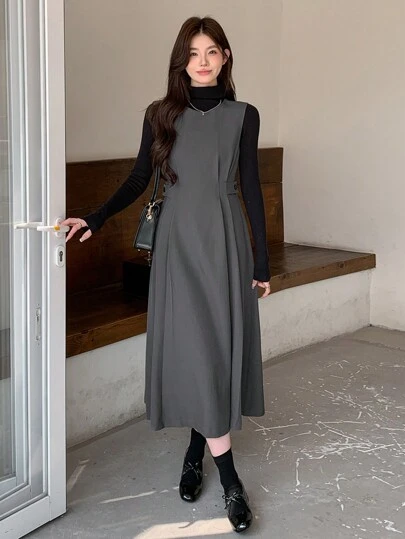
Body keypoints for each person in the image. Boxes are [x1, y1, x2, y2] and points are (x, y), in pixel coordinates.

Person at [62, 16, 271, 534]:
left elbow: (250, 187)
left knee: (214, 350)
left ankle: (195, 450)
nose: (203, 62)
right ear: (182, 60)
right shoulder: (161, 115)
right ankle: (230, 480)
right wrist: (95, 217)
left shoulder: (244, 116)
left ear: (225, 57)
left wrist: (262, 262)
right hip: (178, 246)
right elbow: (140, 178)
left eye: (212, 51)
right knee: (197, 349)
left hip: (225, 242)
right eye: (193, 53)